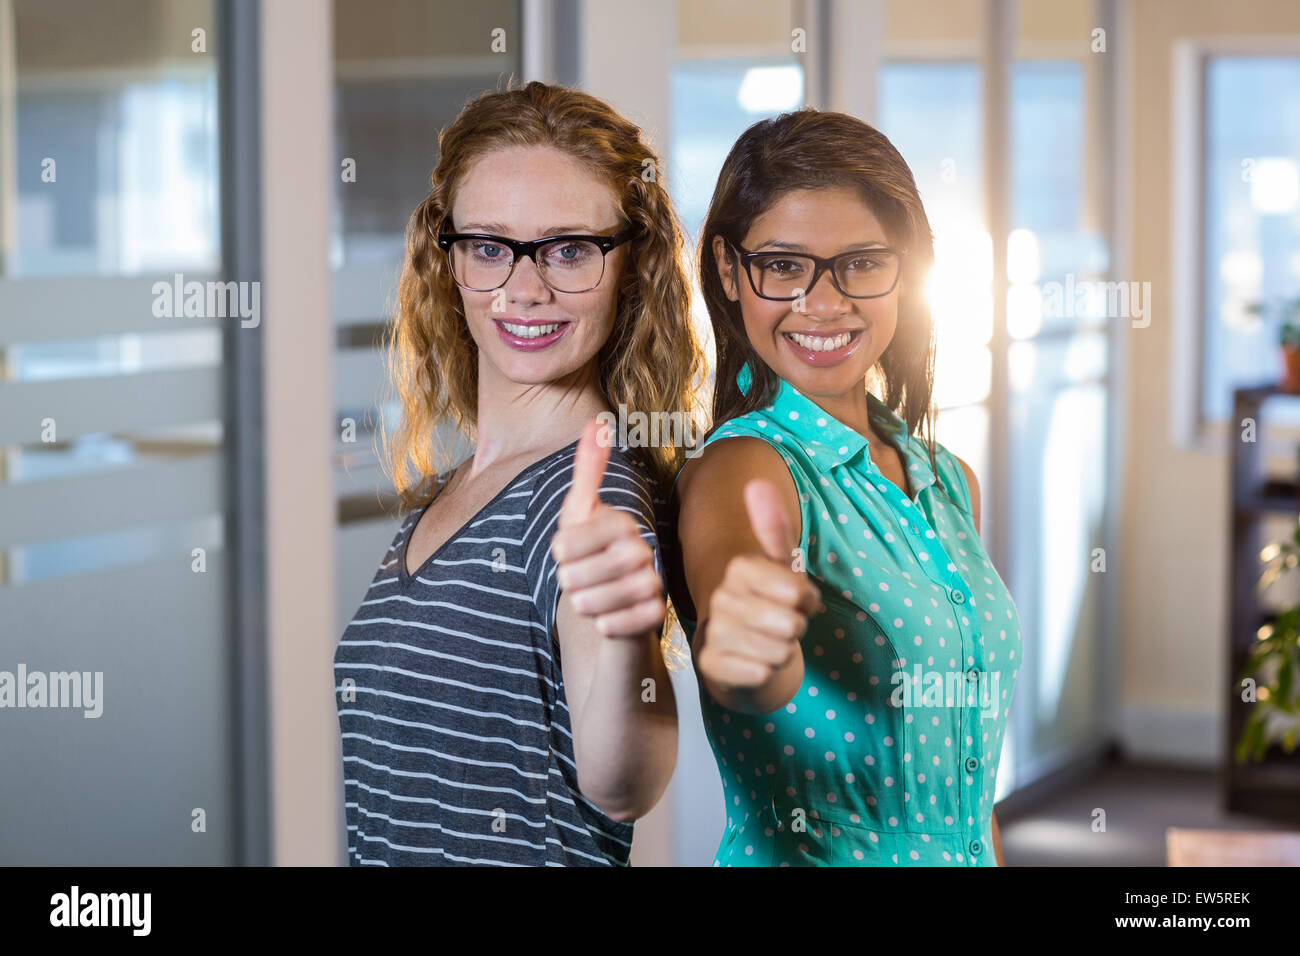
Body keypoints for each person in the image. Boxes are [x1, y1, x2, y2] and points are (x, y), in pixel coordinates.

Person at [334, 81, 702, 866]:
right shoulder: (469, 484)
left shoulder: (592, 497)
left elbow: (621, 780)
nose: (525, 288)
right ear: (451, 259)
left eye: (570, 249)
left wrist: (629, 634)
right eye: (490, 247)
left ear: (630, 265)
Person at [669, 108, 1021, 866]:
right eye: (784, 266)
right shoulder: (743, 468)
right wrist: (745, 644)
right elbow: (741, 619)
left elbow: (971, 789)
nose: (823, 303)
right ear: (731, 272)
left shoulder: (950, 481)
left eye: (861, 263)